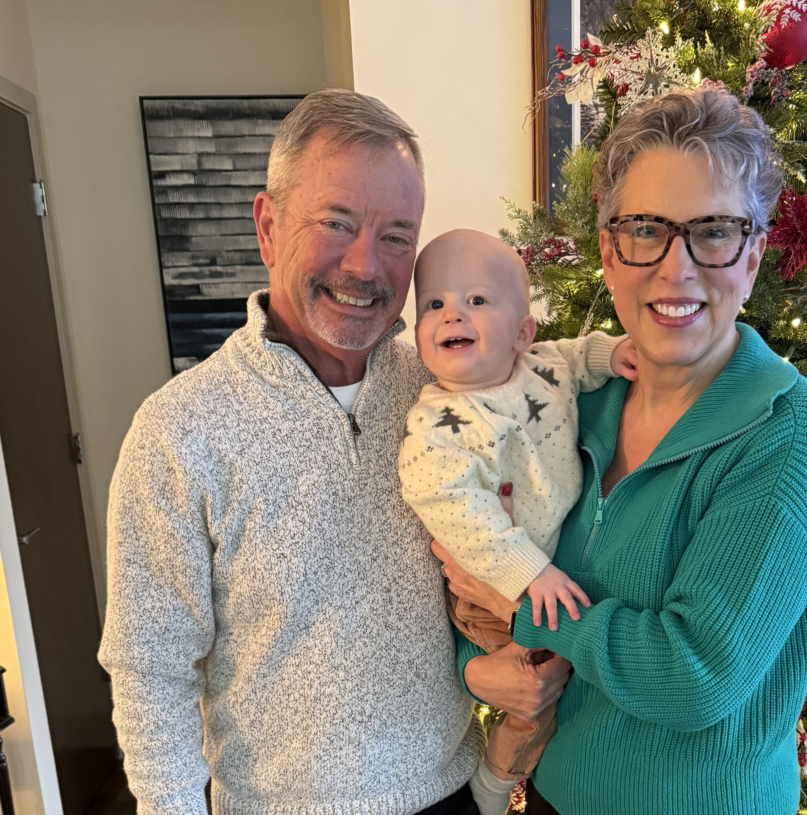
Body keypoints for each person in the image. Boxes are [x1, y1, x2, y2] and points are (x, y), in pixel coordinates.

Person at [98, 89, 569, 815]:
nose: (366, 266)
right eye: (337, 223)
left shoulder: (443, 393)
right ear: (268, 225)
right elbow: (148, 669)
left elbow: (501, 553)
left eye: (395, 236)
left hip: (452, 795)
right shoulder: (178, 431)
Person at [434, 85, 807, 815]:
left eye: (713, 231)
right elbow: (472, 580)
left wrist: (523, 602)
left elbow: (696, 678)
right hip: (555, 795)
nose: (676, 266)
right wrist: (479, 670)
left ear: (752, 255)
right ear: (608, 251)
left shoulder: (789, 431)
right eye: (646, 229)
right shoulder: (563, 403)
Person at [399, 229, 636, 815]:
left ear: (523, 332)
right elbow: (461, 515)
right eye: (434, 304)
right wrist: (531, 576)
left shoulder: (542, 367)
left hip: (543, 570)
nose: (452, 312)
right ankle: (496, 780)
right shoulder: (437, 423)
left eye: (476, 300)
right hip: (496, 583)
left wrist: (616, 353)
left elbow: (580, 358)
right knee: (537, 692)